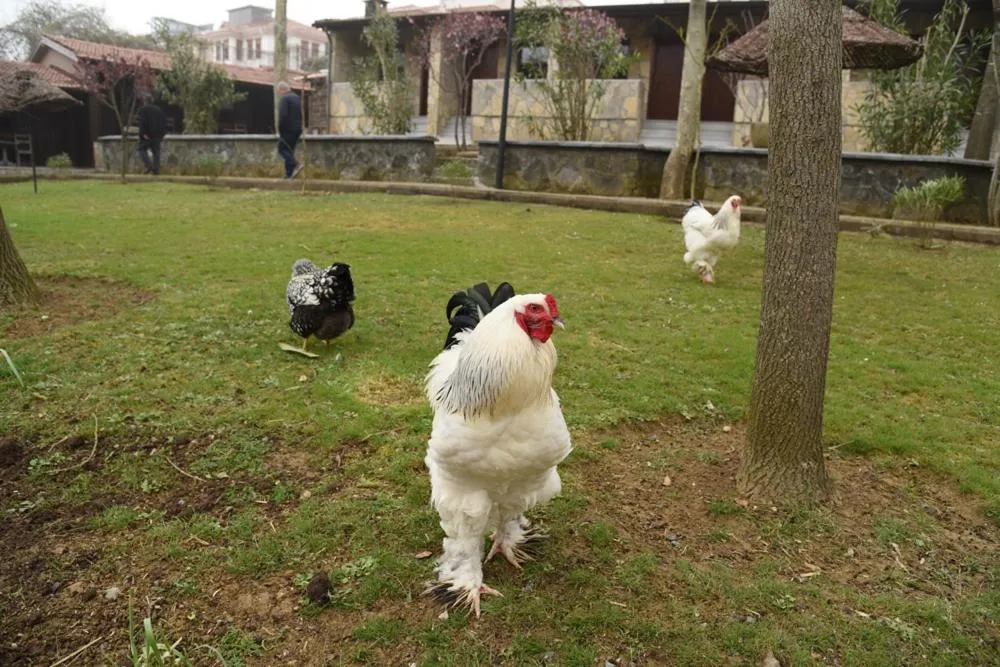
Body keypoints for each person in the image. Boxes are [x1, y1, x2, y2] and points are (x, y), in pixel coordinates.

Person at [276, 81, 303, 179]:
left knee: (281, 149)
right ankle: (288, 174)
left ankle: (295, 163)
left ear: (281, 90)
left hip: (287, 129)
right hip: (297, 129)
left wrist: (280, 130)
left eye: (278, 92)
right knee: (289, 151)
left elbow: (282, 116)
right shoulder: (296, 97)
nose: (278, 94)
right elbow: (300, 114)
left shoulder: (284, 98)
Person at [135, 96, 167, 175]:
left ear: (145, 102)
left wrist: (142, 133)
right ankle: (156, 170)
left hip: (148, 135)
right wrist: (162, 134)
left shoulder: (144, 110)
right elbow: (164, 122)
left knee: (141, 149)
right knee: (156, 152)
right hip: (157, 135)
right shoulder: (159, 110)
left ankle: (149, 165)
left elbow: (142, 122)